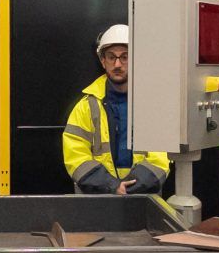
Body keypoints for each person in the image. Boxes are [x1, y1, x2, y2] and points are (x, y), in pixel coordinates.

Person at [61, 24, 168, 196]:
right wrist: (111, 186)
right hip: (96, 201)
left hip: (142, 198)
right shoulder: (86, 106)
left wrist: (131, 187)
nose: (117, 64)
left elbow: (161, 156)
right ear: (103, 61)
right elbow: (76, 156)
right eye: (111, 57)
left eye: (124, 57)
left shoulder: (151, 106)